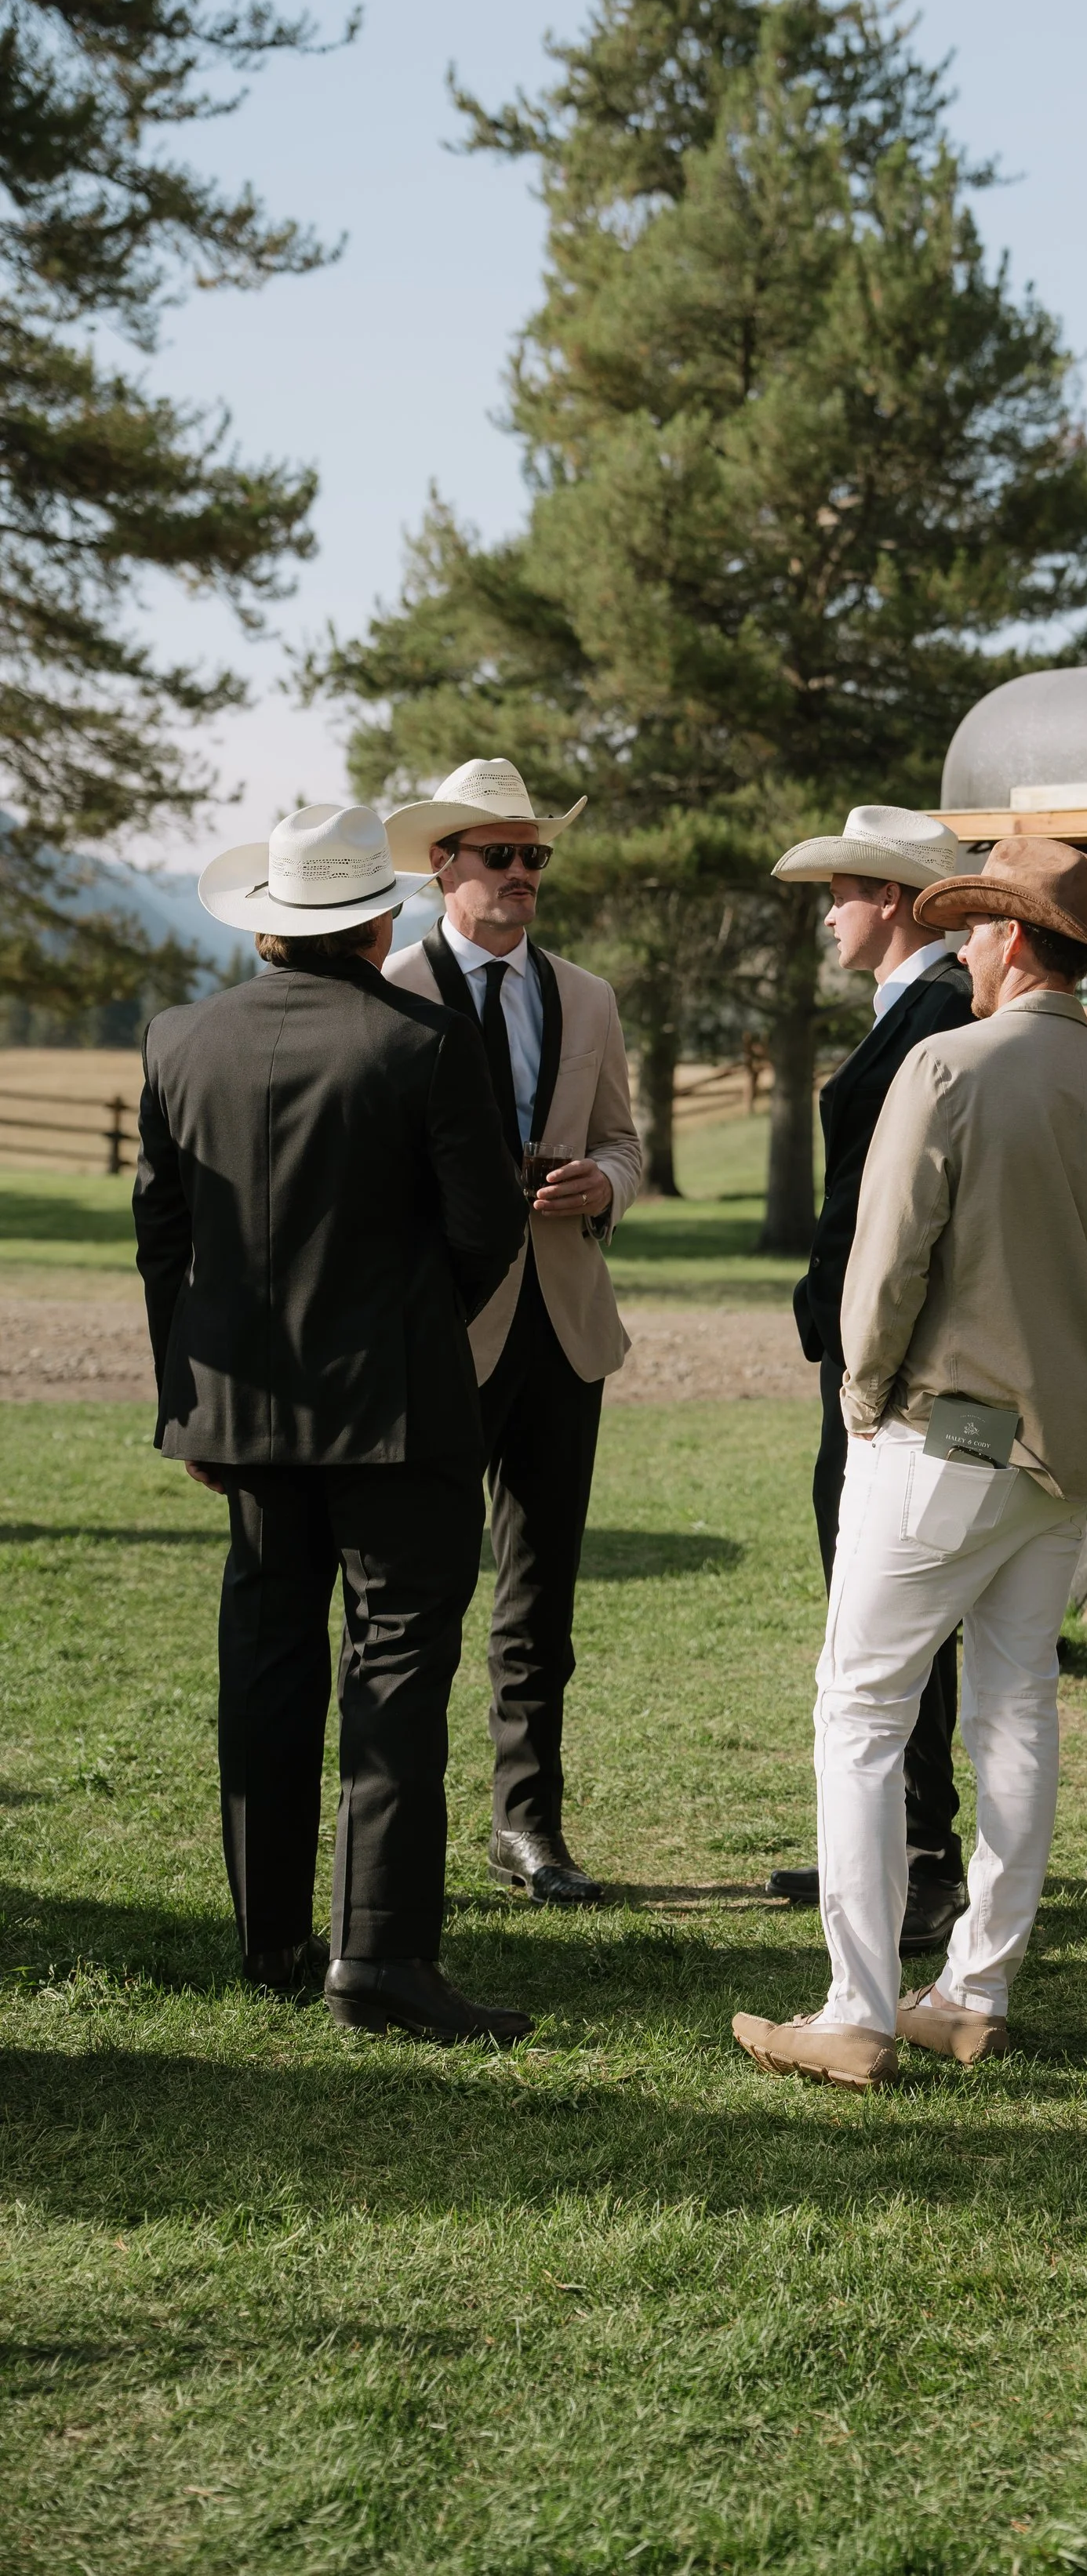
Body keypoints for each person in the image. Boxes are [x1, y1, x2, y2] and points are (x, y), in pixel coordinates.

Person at [734, 840, 1087, 2089]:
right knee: (1016, 1707)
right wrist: (1084, 1391)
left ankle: (857, 2007)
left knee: (863, 1709)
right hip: (1063, 1460)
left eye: (979, 926)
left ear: (1013, 939)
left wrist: (866, 1394)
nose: (967, 947)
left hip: (941, 1439)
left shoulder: (947, 1064)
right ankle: (973, 1991)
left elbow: (883, 1273)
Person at [133, 803, 532, 2043]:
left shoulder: (177, 1039)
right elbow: (488, 1226)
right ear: (379, 917)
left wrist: (190, 1392)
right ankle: (381, 1955)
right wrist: (416, 1326)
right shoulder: (423, 1038)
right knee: (397, 1667)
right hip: (401, 1409)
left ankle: (268, 1935)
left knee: (264, 1657)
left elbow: (163, 1238)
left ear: (268, 918)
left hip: (243, 1412)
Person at [381, 758, 642, 1908]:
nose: (527, 874)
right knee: (423, 1592)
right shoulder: (389, 988)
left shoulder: (588, 996)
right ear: (445, 865)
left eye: (537, 855)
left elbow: (628, 1142)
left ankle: (527, 1824)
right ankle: (399, 1837)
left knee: (541, 1596)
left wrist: (607, 1186)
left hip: (563, 1328)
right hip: (438, 1331)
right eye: (505, 854)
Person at [765, 804, 979, 1954]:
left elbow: (890, 1211)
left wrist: (829, 1319)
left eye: (840, 895)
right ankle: (882, 1841)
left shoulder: (940, 1014)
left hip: (890, 1362)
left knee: (895, 1608)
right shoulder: (916, 1009)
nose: (830, 919)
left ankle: (922, 1853)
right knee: (866, 1603)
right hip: (864, 1353)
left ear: (891, 898)